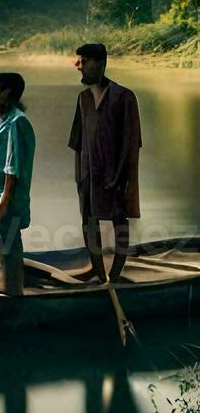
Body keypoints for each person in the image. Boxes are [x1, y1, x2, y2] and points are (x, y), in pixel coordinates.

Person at [68, 43, 142, 282]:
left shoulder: (124, 97)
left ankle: (116, 273)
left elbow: (132, 142)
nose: (78, 66)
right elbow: (77, 142)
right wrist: (79, 176)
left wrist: (125, 178)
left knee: (118, 219)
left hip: (115, 174)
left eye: (84, 61)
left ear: (101, 63)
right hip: (88, 175)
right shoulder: (83, 99)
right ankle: (98, 272)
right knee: (88, 220)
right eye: (78, 61)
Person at [0, 72, 35, 296]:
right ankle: (9, 295)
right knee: (4, 254)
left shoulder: (17, 122)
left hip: (7, 206)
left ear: (6, 93)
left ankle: (14, 300)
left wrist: (1, 209)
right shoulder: (5, 120)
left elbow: (12, 171)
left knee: (11, 255)